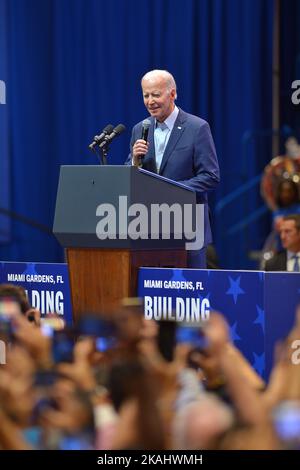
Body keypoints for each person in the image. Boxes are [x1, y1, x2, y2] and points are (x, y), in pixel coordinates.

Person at [125, 70, 220, 268]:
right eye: (146, 95)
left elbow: (210, 176)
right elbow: (129, 178)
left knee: (189, 293)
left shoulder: (197, 127)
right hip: (148, 225)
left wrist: (170, 191)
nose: (150, 101)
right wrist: (134, 161)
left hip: (188, 226)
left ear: (173, 94)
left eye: (156, 95)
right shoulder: (139, 129)